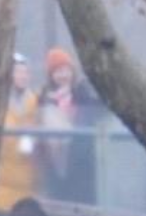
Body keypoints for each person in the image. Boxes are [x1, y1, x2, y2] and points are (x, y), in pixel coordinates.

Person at [0, 53, 42, 216]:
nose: (22, 76)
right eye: (18, 72)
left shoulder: (35, 103)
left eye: (25, 72)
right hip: (1, 180)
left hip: (28, 179)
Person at [37, 47, 100, 203]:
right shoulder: (45, 98)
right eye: (58, 71)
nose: (63, 75)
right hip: (55, 164)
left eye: (66, 70)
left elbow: (89, 119)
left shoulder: (82, 93)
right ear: (51, 75)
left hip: (81, 161)